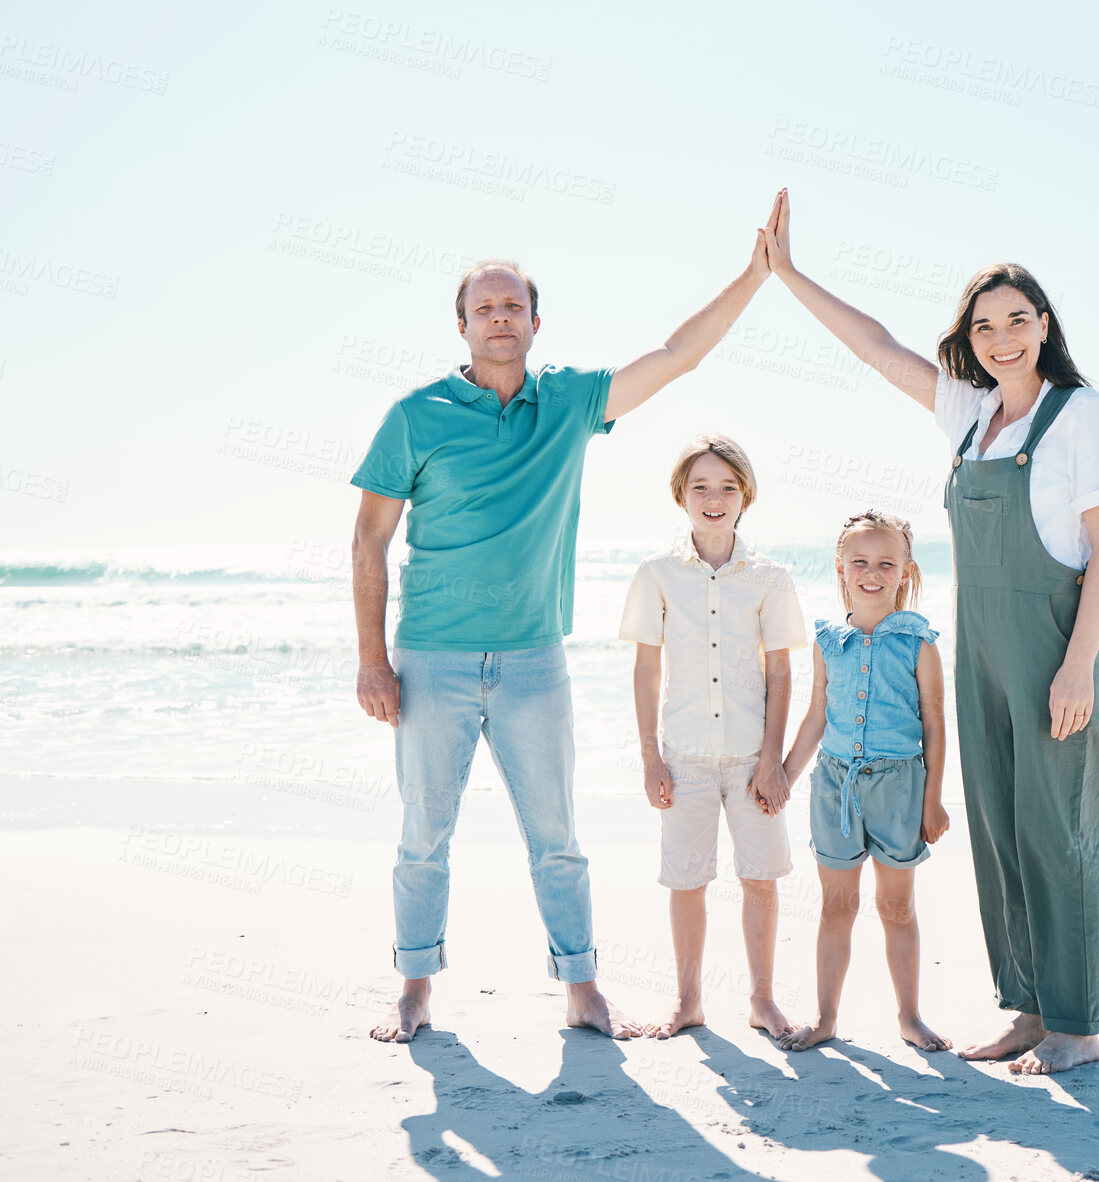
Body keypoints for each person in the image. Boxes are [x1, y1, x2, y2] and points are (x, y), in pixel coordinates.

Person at [352, 211, 775, 1044]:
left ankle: (581, 987)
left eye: (514, 306)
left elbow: (676, 356)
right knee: (422, 838)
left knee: (557, 837)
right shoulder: (416, 414)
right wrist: (373, 660)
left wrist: (754, 277)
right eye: (485, 308)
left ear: (536, 323)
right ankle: (414, 987)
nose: (500, 318)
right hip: (431, 657)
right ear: (463, 325)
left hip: (533, 658)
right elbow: (369, 537)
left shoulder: (572, 401)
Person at [761, 190, 1099, 1075]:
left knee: (1065, 832)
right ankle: (1030, 1009)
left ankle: (1079, 1025)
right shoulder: (971, 418)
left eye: (1016, 319)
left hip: (1053, 649)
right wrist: (787, 275)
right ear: (968, 340)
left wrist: (1078, 665)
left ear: (1043, 325)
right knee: (1001, 829)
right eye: (983, 326)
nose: (1001, 336)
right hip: (979, 658)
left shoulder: (1083, 415)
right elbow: (877, 347)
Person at [618, 434, 806, 1040]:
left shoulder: (770, 579)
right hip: (686, 759)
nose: (714, 498)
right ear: (681, 496)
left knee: (761, 880)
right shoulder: (657, 575)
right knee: (687, 880)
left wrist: (773, 762)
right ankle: (688, 1001)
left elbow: (780, 671)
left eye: (727, 486)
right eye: (700, 486)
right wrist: (651, 760)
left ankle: (761, 1001)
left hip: (753, 758)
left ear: (745, 496)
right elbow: (647, 670)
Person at [779, 510, 950, 1052]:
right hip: (835, 786)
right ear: (841, 568)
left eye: (885, 563)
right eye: (859, 562)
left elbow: (935, 722)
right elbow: (814, 716)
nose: (871, 573)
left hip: (900, 786)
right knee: (836, 905)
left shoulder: (919, 641)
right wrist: (784, 774)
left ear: (905, 570)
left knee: (896, 907)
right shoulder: (829, 641)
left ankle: (909, 1016)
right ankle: (826, 1017)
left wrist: (934, 799)